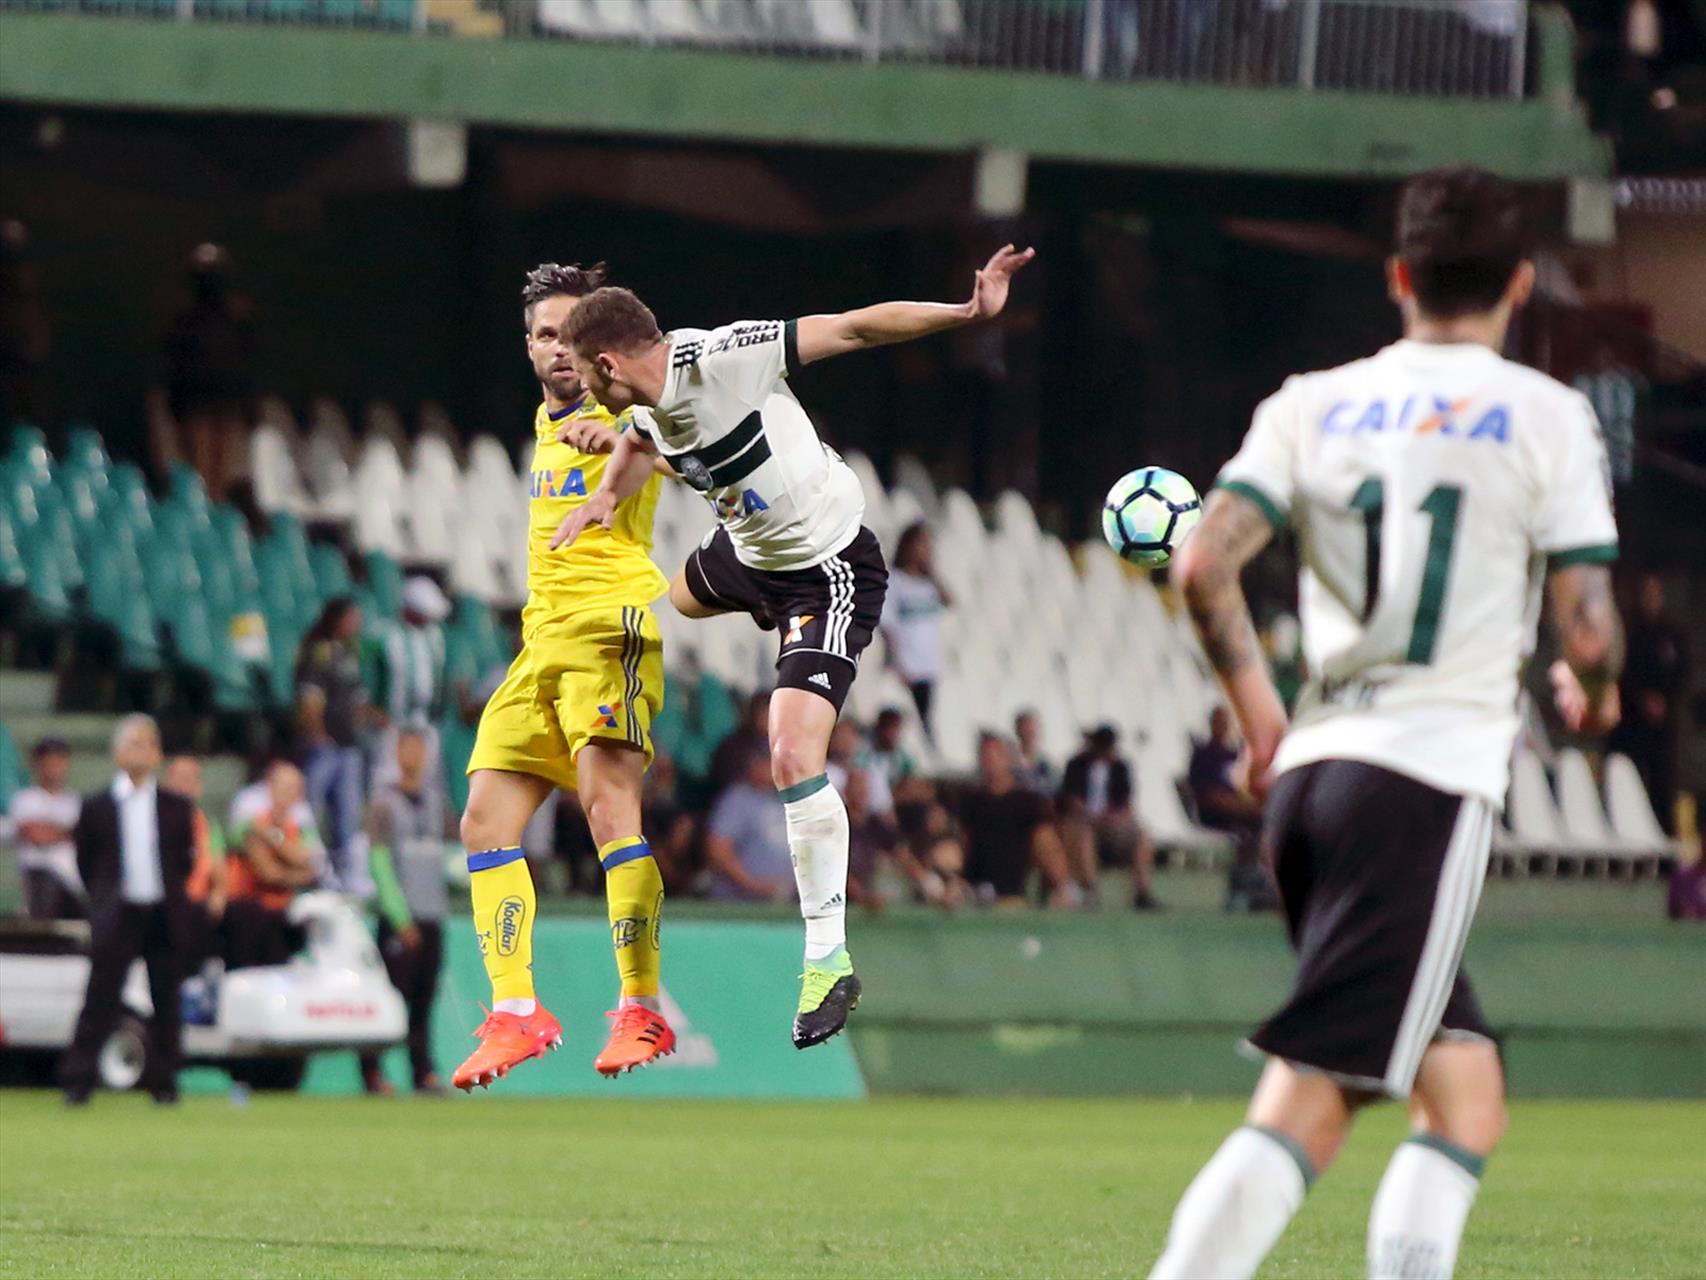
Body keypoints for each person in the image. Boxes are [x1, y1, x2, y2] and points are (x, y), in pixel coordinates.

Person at [1150, 166, 1624, 1280]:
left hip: (1317, 780)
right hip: (1422, 783)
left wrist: (1262, 717)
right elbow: (1588, 634)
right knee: (1314, 1095)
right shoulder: (1545, 416)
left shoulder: (1309, 400)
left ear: (1399, 277)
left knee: (1463, 1094)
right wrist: (1589, 697)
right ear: (1518, 282)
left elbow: (1204, 560)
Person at [553, 242, 1033, 1047]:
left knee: (790, 756)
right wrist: (606, 493)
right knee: (661, 602)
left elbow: (850, 329)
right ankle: (746, 643)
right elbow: (641, 439)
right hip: (748, 558)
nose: (577, 387)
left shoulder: (723, 357)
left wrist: (964, 312)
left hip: (826, 570)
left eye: (578, 369)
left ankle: (826, 961)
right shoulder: (638, 405)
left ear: (605, 360)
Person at [454, 262, 676, 1091]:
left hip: (607, 625)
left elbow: (692, 458)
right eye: (546, 336)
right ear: (529, 347)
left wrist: (626, 443)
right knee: (483, 819)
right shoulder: (547, 420)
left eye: (574, 338)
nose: (559, 352)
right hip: (538, 641)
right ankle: (516, 1012)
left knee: (608, 807)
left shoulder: (634, 415)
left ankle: (641, 1004)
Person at [59, 715, 197, 1106]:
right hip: (118, 913)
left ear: (158, 754)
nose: (141, 750)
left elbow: (183, 861)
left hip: (161, 911)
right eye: (133, 743)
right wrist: (103, 901)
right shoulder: (98, 806)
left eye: (148, 743)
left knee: (167, 999)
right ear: (118, 753)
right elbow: (87, 862)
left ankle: (165, 1081)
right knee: (100, 997)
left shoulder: (176, 807)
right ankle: (79, 1079)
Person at [359, 727, 450, 1096]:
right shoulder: (382, 804)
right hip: (400, 917)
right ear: (397, 755)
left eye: (419, 749)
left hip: (433, 912)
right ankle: (372, 1072)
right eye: (407, 749)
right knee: (389, 997)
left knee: (424, 998)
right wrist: (399, 917)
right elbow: (379, 863)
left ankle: (422, 1071)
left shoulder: (436, 803)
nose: (413, 757)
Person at [163, 243, 255, 503]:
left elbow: (247, 358)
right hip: (200, 399)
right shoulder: (185, 322)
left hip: (223, 397)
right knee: (203, 463)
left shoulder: (236, 321)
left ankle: (214, 510)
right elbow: (177, 364)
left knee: (219, 467)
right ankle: (204, 510)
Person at [294, 596, 369, 890]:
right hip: (325, 747)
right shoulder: (318, 652)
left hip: (349, 745)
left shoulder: (349, 651)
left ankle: (342, 872)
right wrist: (317, 733)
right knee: (310, 808)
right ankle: (307, 867)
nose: (356, 624)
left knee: (346, 812)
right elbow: (309, 697)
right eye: (351, 617)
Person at [1610, 571, 1688, 834]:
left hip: (1663, 727)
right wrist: (1642, 698)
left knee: (1662, 781)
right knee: (1630, 778)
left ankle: (1665, 835)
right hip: (1633, 725)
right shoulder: (1632, 634)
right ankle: (1629, 832)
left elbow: (1682, 673)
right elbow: (1623, 673)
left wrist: (1665, 701)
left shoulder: (1672, 634)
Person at [223, 761, 319, 970]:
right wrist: (295, 870)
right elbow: (268, 873)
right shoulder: (252, 824)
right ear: (270, 788)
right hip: (251, 913)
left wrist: (273, 838)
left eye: (293, 788)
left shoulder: (301, 827)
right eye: (282, 787)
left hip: (285, 914)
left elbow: (307, 862)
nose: (287, 794)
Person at [958, 732, 1071, 907]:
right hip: (973, 890)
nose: (988, 761)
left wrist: (1061, 888)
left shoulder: (1028, 803)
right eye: (984, 755)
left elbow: (1048, 847)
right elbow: (964, 845)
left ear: (1008, 759)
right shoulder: (972, 801)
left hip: (1010, 892)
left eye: (995, 755)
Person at [1059, 725, 1159, 910]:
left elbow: (1126, 803)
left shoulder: (1120, 767)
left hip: (1113, 824)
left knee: (1143, 836)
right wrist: (1091, 815)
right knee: (1084, 835)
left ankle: (1141, 891)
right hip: (1084, 821)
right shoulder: (1077, 765)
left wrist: (1113, 817)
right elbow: (1071, 799)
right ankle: (1091, 889)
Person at [1187, 708, 1274, 913]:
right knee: (1252, 828)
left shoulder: (1236, 754)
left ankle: (1260, 884)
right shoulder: (1204, 755)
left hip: (1243, 813)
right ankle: (1242, 886)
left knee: (1265, 829)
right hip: (1214, 814)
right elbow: (1207, 795)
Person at [881, 521, 951, 728]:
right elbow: (887, 624)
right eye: (920, 544)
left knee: (926, 722)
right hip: (906, 666)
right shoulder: (894, 580)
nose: (924, 550)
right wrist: (897, 662)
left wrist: (932, 573)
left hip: (928, 666)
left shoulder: (929, 583)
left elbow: (950, 600)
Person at [704, 748, 796, 903]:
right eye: (766, 762)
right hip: (740, 904)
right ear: (753, 765)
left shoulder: (791, 798)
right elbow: (718, 850)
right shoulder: (737, 799)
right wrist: (752, 885)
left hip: (787, 903)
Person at [8, 737, 83, 921]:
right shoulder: (25, 800)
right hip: (40, 880)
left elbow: (87, 835)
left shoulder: (76, 801)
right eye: (49, 762)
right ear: (37, 765)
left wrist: (55, 830)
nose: (54, 768)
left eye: (59, 761)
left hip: (73, 882)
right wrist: (70, 831)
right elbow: (38, 836)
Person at [1012, 710, 1055, 796]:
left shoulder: (1048, 764)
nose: (1028, 732)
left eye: (1032, 727)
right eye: (1024, 727)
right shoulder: (1007, 762)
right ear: (1017, 730)